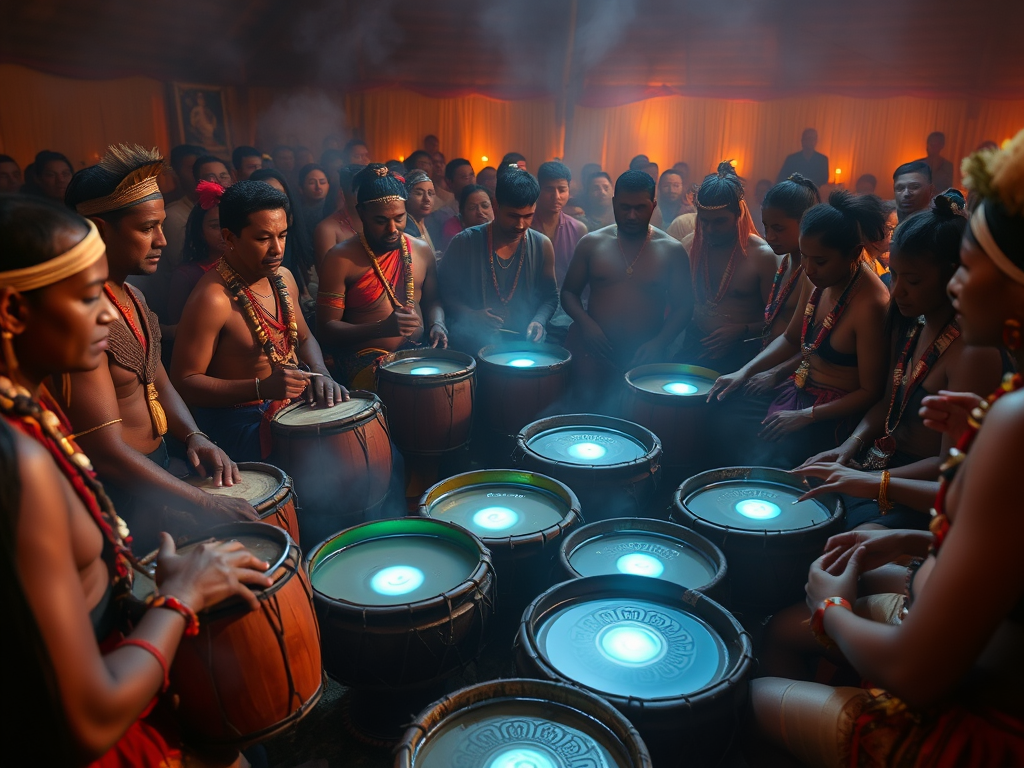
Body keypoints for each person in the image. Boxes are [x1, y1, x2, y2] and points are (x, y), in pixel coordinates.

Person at [751, 130, 1024, 768]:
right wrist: (907, 539)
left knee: (752, 687)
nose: (957, 284)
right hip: (949, 619)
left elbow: (920, 673)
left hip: (976, 712)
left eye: (970, 266)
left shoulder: (1009, 409)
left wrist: (834, 609)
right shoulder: (1004, 396)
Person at [0, 193, 272, 767]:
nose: (105, 314)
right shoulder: (16, 462)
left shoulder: (26, 414)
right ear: (12, 313)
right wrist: (180, 598)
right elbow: (88, 719)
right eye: (85, 296)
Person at [60, 145, 254, 551]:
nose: (162, 240)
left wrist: (194, 436)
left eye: (162, 225)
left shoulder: (133, 296)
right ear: (98, 229)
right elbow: (106, 450)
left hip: (157, 471)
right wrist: (203, 502)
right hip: (116, 493)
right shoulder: (82, 321)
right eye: (147, 228)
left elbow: (159, 382)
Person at [792, 190, 1002, 530]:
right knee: (800, 487)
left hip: (920, 486)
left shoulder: (972, 352)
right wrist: (849, 447)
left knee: (842, 542)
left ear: (954, 275)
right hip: (878, 458)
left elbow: (950, 464)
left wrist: (871, 479)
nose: (898, 290)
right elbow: (887, 403)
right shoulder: (911, 322)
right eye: (896, 274)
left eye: (913, 280)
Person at [709, 191, 891, 469]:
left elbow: (870, 392)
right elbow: (792, 338)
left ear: (854, 254)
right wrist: (745, 372)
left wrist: (807, 415)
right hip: (797, 387)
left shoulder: (871, 303)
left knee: (773, 449)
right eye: (805, 257)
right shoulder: (813, 274)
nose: (809, 268)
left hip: (834, 414)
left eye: (820, 261)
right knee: (723, 408)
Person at [170, 181, 346, 462]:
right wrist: (261, 388)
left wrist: (321, 372)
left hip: (289, 406)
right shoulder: (213, 299)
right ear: (229, 238)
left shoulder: (284, 277)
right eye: (263, 238)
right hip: (239, 425)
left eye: (282, 235)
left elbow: (303, 338)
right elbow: (185, 382)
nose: (277, 249)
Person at [561, 170, 694, 406]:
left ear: (652, 206)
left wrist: (659, 342)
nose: (631, 215)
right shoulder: (592, 243)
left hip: (643, 354)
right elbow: (569, 292)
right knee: (587, 413)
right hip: (594, 350)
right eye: (624, 207)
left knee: (635, 419)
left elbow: (684, 307)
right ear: (614, 203)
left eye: (640, 208)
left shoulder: (671, 250)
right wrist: (587, 325)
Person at [316, 164, 447, 387]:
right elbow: (326, 329)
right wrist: (382, 328)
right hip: (364, 361)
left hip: (418, 352)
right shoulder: (340, 259)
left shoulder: (421, 250)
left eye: (399, 218)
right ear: (361, 214)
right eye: (381, 221)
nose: (392, 229)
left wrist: (437, 324)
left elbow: (432, 301)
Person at [675, 162, 780, 374]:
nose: (710, 230)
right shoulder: (689, 246)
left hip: (743, 353)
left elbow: (780, 323)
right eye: (704, 221)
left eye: (720, 221)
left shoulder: (762, 256)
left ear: (738, 216)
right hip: (694, 345)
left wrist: (742, 331)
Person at [439, 168, 558, 353]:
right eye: (513, 216)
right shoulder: (465, 242)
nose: (520, 225)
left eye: (528, 216)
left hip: (523, 344)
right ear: (496, 206)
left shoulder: (542, 245)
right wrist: (470, 315)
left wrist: (539, 321)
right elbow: (443, 293)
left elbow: (550, 296)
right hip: (472, 345)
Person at [247, 168, 316, 301]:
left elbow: (295, 266)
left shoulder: (292, 228)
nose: (272, 201)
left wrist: (303, 293)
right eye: (263, 238)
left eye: (278, 194)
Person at [166, 182, 226, 328]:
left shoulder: (247, 268)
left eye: (230, 224)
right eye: (215, 226)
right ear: (200, 231)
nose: (225, 233)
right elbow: (177, 329)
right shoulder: (187, 275)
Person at [531, 161, 588, 289]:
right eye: (549, 189)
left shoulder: (578, 229)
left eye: (562, 190)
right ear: (538, 189)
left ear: (569, 191)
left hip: (564, 296)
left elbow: (581, 274)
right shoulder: (525, 225)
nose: (556, 196)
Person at [313, 163, 365, 270]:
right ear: (342, 194)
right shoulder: (328, 230)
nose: (364, 195)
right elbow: (329, 275)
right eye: (356, 191)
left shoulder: (381, 221)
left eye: (368, 190)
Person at [427, 158, 476, 244]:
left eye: (472, 175)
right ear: (449, 182)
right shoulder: (441, 215)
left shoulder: (483, 208)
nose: (471, 180)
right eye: (465, 177)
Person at [441, 184, 494, 251]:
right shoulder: (457, 240)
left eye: (485, 206)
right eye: (472, 208)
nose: (480, 212)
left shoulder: (504, 234)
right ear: (463, 213)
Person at [403, 169, 438, 255]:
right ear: (406, 195)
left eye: (430, 193)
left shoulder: (431, 224)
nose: (427, 199)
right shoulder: (407, 230)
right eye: (419, 193)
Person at [297, 163, 330, 241]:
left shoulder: (335, 208)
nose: (318, 186)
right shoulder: (297, 214)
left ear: (328, 185)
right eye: (311, 183)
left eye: (322, 182)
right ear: (301, 188)